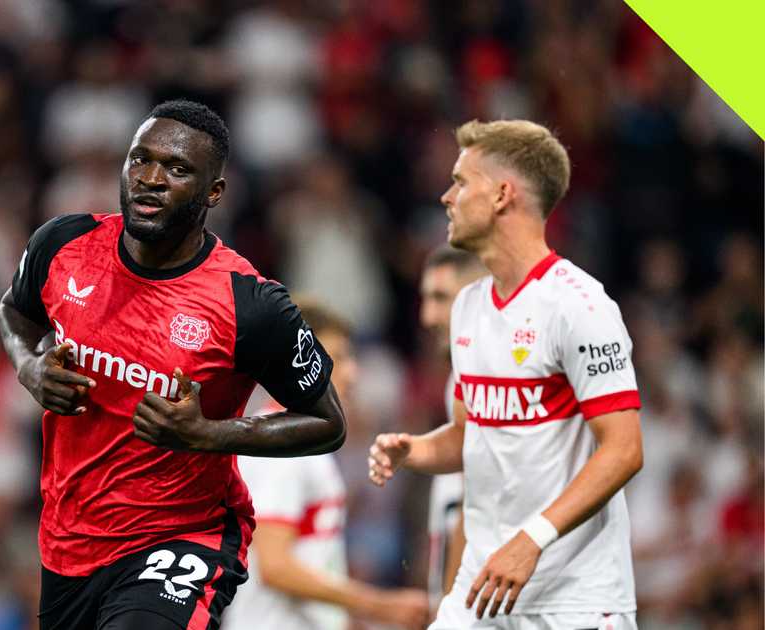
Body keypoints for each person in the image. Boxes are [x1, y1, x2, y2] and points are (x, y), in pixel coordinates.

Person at [0, 100, 346, 630]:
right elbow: (14, 312)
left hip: (185, 533)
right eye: (140, 160)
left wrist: (208, 434)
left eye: (177, 169)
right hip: (71, 536)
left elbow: (328, 423)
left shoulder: (250, 303)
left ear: (214, 193)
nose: (151, 179)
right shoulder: (63, 244)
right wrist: (30, 368)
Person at [369, 120, 644, 630]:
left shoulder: (579, 305)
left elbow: (625, 450)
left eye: (462, 181)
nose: (447, 196)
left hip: (574, 598)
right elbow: (468, 435)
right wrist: (415, 449)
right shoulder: (469, 306)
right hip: (481, 588)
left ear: (501, 195)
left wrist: (531, 539)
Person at [222, 297, 428, 630]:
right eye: (338, 358)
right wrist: (379, 605)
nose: (351, 372)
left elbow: (312, 556)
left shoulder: (301, 440)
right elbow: (274, 565)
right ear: (298, 363)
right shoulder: (280, 448)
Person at [418, 246, 487, 611]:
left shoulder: (486, 378)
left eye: (441, 298)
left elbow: (471, 506)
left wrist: (450, 610)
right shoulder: (456, 381)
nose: (427, 317)